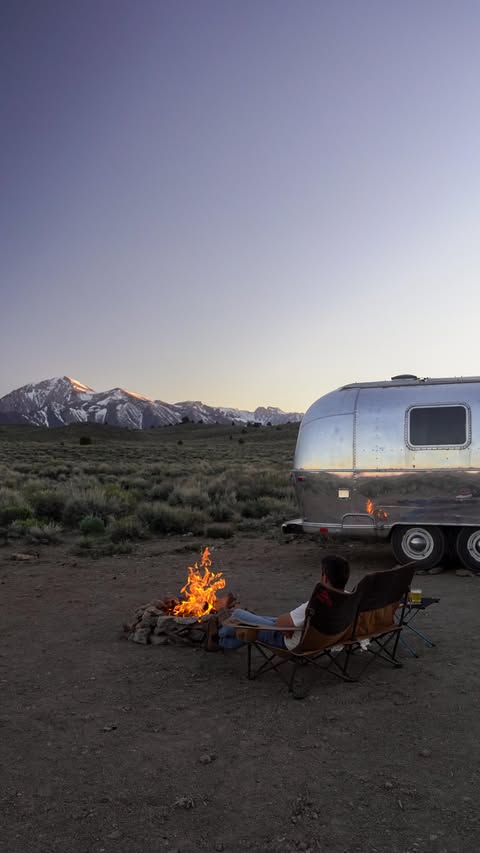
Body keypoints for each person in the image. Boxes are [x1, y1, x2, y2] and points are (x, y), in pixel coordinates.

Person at [208, 555, 350, 652]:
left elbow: (281, 624)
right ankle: (219, 641)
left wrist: (285, 625)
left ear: (324, 578)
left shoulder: (317, 603)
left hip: (291, 642)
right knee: (256, 622)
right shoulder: (349, 598)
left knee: (239, 614)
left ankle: (218, 633)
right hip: (319, 640)